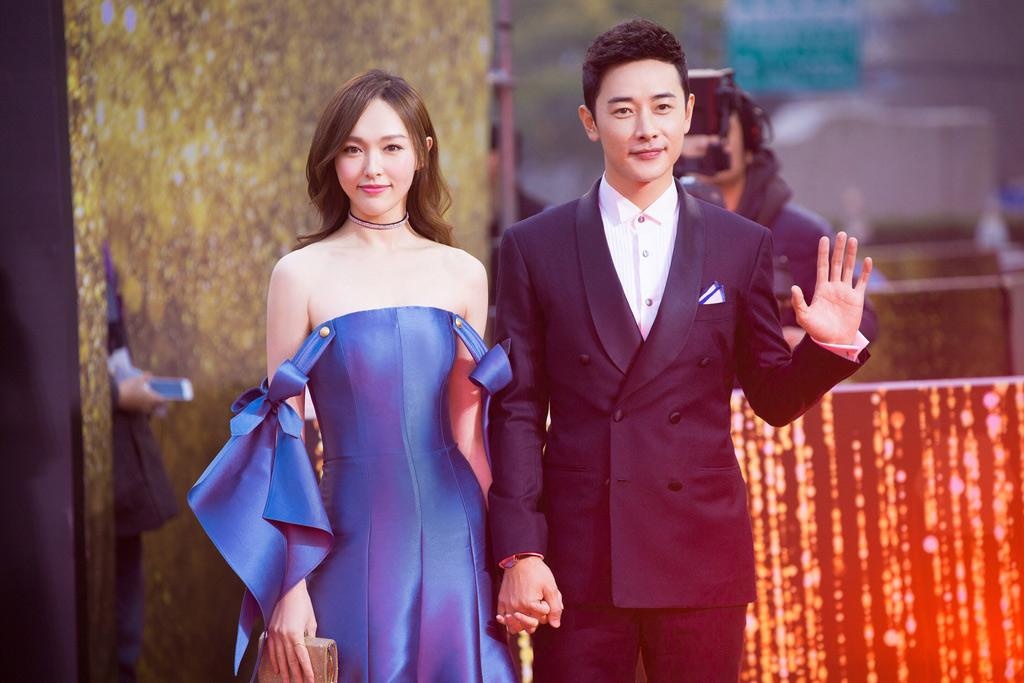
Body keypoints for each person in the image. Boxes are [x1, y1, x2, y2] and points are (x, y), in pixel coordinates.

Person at [487, 19, 873, 682]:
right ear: (589, 121)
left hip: (699, 556)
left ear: (689, 114)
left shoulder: (740, 244)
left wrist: (829, 345)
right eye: (623, 110)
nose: (646, 128)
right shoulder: (533, 246)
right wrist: (521, 550)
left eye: (662, 107)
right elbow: (518, 409)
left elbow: (773, 398)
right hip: (580, 561)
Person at [191, 71, 516, 683]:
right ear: (332, 158)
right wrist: (288, 584)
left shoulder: (463, 272)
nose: (373, 168)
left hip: (459, 532)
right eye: (353, 148)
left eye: (391, 147)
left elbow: (469, 430)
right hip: (349, 531)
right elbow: (282, 434)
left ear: (422, 152)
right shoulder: (299, 273)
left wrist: (512, 554)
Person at [681, 87, 880, 349]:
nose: (705, 142)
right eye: (692, 131)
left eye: (720, 130)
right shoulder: (655, 228)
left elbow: (859, 320)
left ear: (749, 145)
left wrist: (812, 343)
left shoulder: (804, 235)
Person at [105, 243, 179, 683]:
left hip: (121, 469)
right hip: (82, 474)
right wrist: (117, 395)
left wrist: (129, 389)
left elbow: (113, 350)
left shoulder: (102, 256)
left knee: (125, 631)